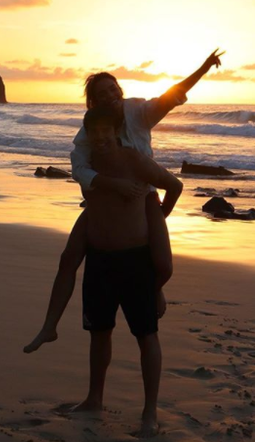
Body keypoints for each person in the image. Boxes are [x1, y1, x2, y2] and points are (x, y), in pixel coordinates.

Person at [23, 49, 223, 355]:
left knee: (163, 266)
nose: (109, 96)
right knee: (68, 259)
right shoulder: (90, 130)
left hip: (142, 199)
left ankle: (154, 291)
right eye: (101, 94)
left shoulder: (139, 112)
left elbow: (174, 93)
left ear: (121, 90)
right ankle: (49, 327)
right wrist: (111, 184)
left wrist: (204, 67)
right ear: (93, 102)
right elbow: (79, 169)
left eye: (113, 89)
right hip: (102, 205)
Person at [76, 105, 183, 437]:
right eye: (96, 132)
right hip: (100, 260)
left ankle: (150, 411)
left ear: (116, 131)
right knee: (99, 333)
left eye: (107, 131)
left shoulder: (134, 159)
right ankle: (94, 398)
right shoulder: (87, 163)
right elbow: (82, 175)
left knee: (146, 336)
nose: (102, 137)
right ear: (89, 136)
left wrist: (157, 215)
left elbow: (174, 184)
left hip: (136, 260)